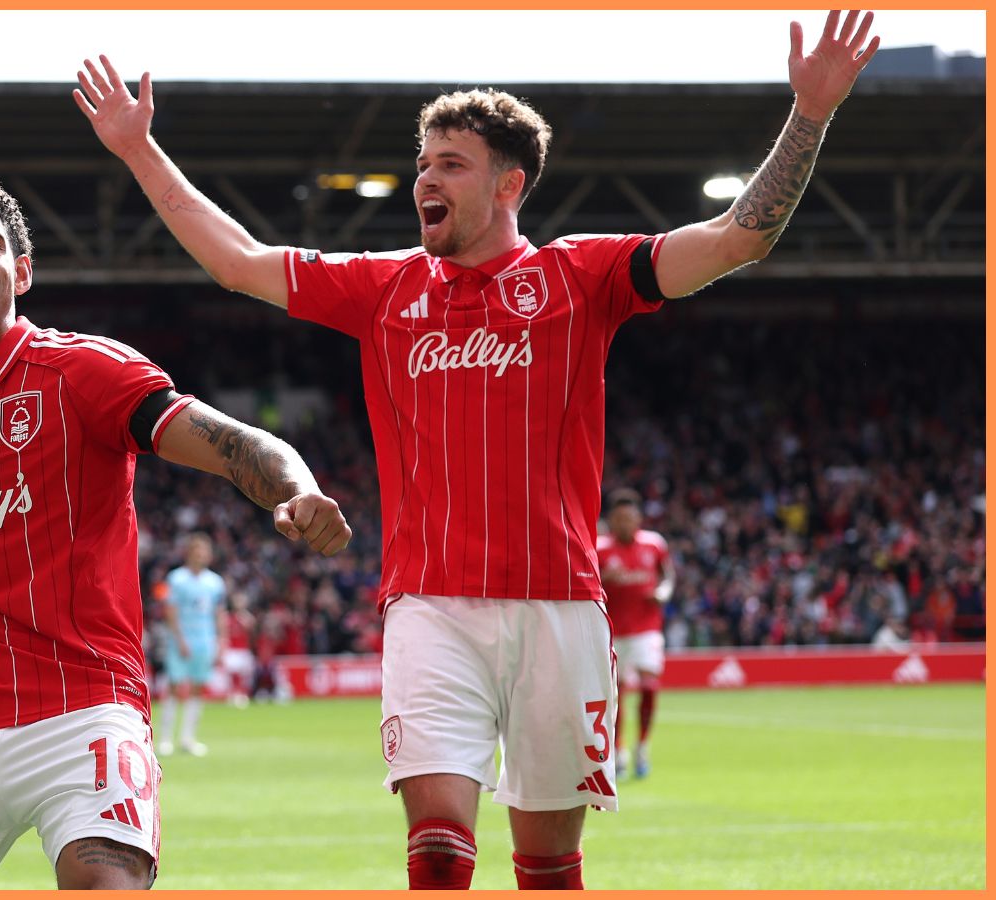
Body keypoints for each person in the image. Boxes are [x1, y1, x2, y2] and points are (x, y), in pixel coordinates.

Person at [76, 10, 879, 889]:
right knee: (437, 850)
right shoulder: (383, 287)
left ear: (508, 184)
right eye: (421, 163)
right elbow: (237, 260)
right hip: (430, 608)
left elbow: (736, 239)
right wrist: (137, 150)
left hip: (558, 609)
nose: (425, 177)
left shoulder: (584, 276)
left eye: (448, 164)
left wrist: (811, 112)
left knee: (546, 867)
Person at [0, 173, 351, 890]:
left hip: (85, 705)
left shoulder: (82, 371)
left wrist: (298, 490)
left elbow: (234, 441)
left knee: (103, 878)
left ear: (20, 270)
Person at [596, 489, 675, 780]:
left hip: (646, 629)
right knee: (615, 694)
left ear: (638, 519)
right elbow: (587, 586)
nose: (624, 523)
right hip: (612, 631)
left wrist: (663, 592)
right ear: (611, 521)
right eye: (619, 519)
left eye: (629, 518)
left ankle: (643, 746)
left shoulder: (654, 544)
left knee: (649, 685)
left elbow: (668, 575)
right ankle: (618, 751)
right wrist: (605, 580)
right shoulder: (600, 549)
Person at [156, 532, 227, 756]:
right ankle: (165, 739)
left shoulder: (215, 582)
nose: (201, 555)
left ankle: (188, 738)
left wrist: (222, 639)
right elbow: (170, 611)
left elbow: (219, 613)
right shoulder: (176, 579)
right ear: (189, 553)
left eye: (204, 552)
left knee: (198, 688)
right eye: (197, 551)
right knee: (175, 686)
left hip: (204, 641)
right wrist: (180, 639)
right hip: (181, 640)